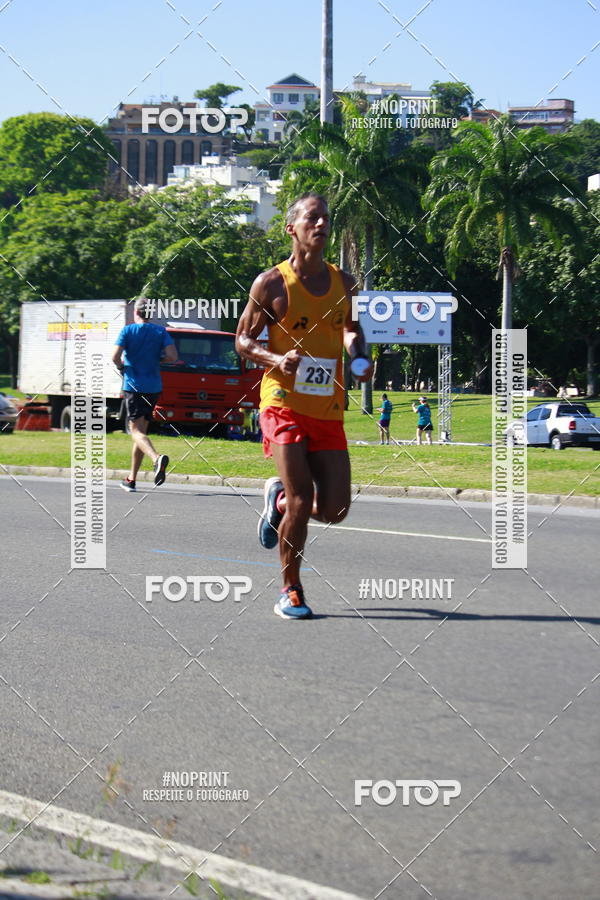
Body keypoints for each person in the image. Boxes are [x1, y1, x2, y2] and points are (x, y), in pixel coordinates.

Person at [235, 192, 372, 620]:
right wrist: (277, 359)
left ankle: (276, 503)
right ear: (292, 228)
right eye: (312, 218)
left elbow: (352, 330)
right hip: (282, 403)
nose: (322, 225)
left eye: (326, 219)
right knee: (303, 499)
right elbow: (243, 341)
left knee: (336, 510)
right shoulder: (271, 284)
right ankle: (290, 590)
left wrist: (359, 355)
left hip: (327, 407)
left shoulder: (344, 283)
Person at [112, 297, 178, 492]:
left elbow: (115, 356)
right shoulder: (160, 331)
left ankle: (156, 458)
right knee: (141, 433)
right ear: (150, 314)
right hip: (154, 387)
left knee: (135, 432)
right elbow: (173, 356)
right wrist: (157, 358)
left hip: (133, 386)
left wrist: (121, 367)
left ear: (136, 312)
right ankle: (131, 479)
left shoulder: (128, 330)